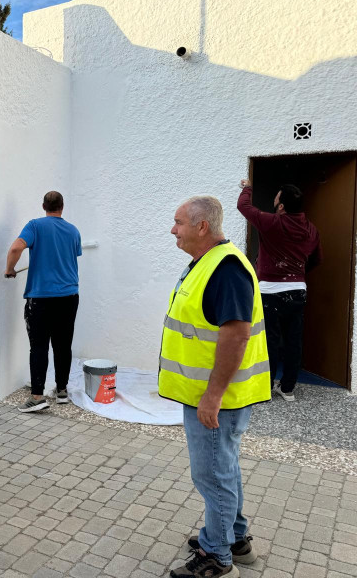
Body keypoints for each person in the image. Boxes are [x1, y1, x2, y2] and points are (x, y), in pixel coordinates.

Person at [160, 196, 270, 578]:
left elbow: (236, 335)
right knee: (224, 468)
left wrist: (212, 395)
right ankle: (234, 538)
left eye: (178, 222)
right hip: (212, 395)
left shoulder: (225, 268)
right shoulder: (207, 263)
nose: (173, 230)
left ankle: (217, 556)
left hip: (217, 400)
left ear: (202, 226)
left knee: (211, 474)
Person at [237, 180, 322, 401]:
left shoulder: (272, 222)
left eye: (276, 197)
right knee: (294, 341)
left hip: (270, 292)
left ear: (282, 206)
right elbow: (316, 259)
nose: (274, 200)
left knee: (270, 341)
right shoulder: (311, 229)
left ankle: (266, 386)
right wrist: (298, 274)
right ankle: (287, 389)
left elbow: (244, 207)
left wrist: (247, 187)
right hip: (297, 291)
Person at [4, 191, 81, 413]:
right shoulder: (73, 230)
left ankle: (37, 396)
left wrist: (10, 270)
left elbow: (16, 248)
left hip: (41, 298)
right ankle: (62, 391)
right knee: (63, 344)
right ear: (62, 207)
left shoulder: (35, 226)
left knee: (38, 346)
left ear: (43, 206)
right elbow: (68, 257)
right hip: (69, 296)